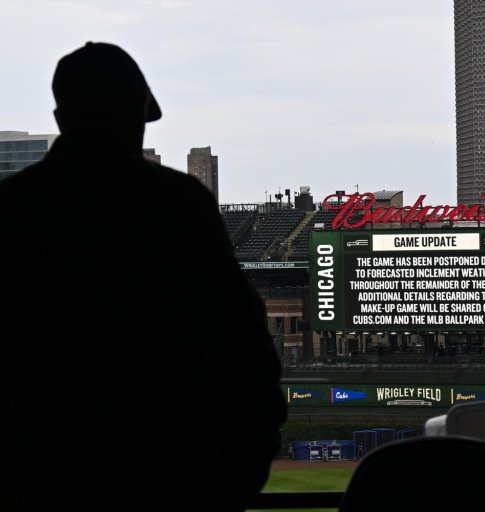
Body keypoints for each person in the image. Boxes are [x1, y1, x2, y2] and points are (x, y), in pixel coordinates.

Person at [0, 42, 287, 511]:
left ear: (60, 117)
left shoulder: (13, 207)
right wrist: (242, 468)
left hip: (43, 474)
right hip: (173, 473)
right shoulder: (178, 203)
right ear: (137, 111)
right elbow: (242, 344)